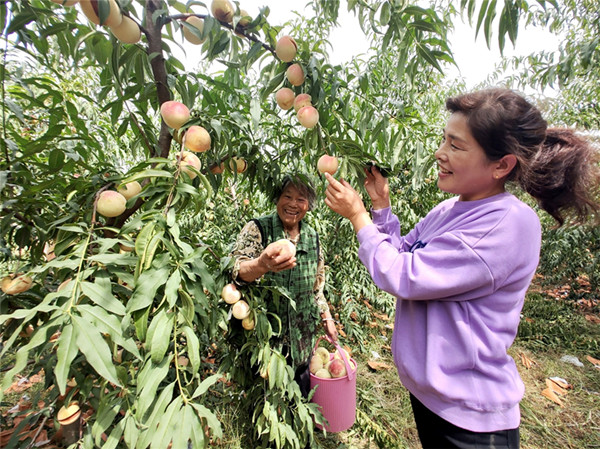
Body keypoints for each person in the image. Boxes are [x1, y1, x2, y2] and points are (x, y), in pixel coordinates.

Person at [323, 88, 600, 448]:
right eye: (444, 140)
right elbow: (404, 252)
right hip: (435, 399)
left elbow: (402, 275)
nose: (440, 153)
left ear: (501, 165)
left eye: (455, 145)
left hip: (472, 418)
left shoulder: (508, 223)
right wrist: (380, 206)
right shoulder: (449, 210)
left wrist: (358, 217)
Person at [231, 173, 338, 397]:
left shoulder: (312, 237)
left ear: (308, 205)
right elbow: (237, 271)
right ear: (277, 198)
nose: (292, 204)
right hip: (264, 334)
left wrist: (326, 317)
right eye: (287, 196)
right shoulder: (258, 229)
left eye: (301, 199)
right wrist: (262, 264)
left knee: (299, 390)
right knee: (264, 393)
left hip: (302, 334)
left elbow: (317, 285)